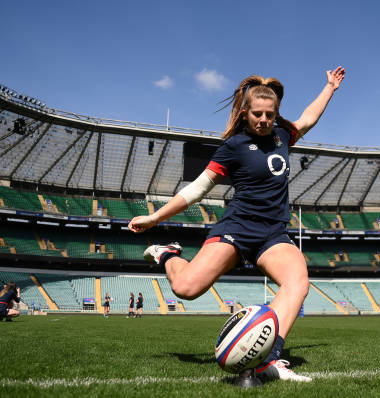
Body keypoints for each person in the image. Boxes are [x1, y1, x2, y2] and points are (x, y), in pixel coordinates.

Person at [129, 66, 345, 382]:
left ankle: (268, 361)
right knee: (186, 288)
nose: (263, 120)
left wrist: (330, 88)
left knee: (298, 281)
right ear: (245, 113)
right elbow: (198, 189)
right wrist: (155, 217)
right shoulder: (234, 147)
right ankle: (167, 254)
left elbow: (308, 118)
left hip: (273, 233)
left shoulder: (284, 134)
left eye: (269, 114)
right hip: (237, 228)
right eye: (257, 114)